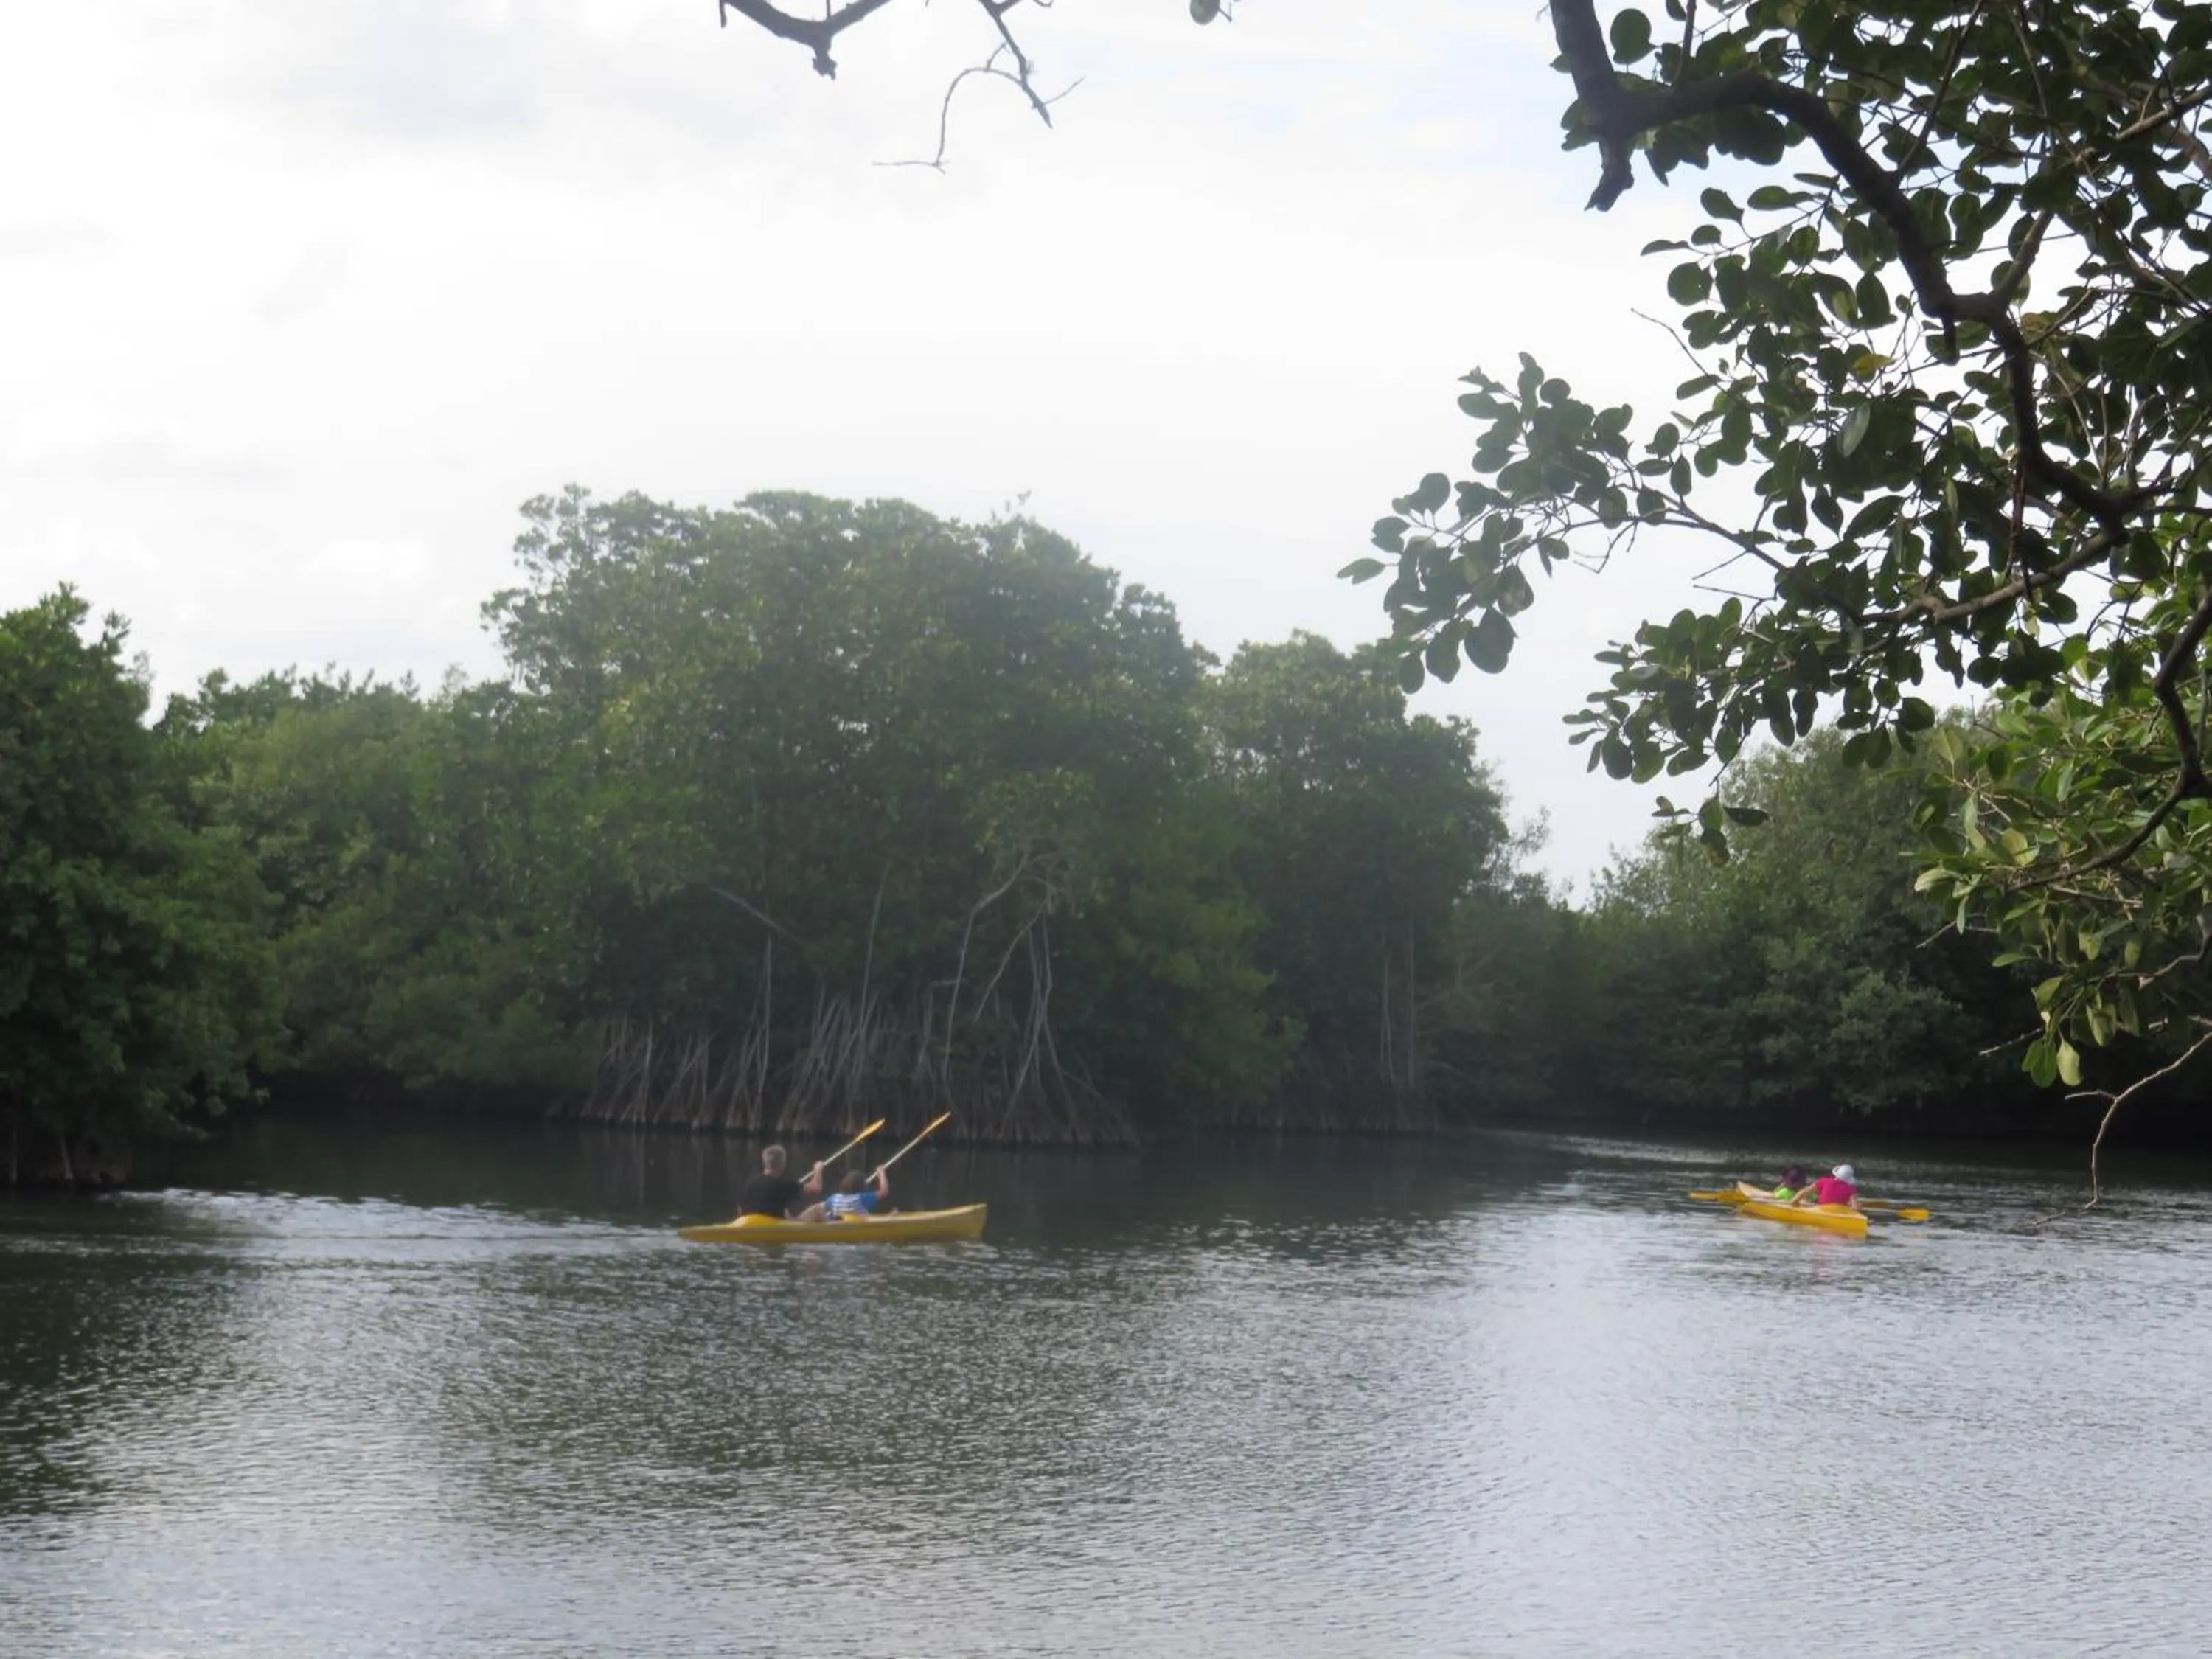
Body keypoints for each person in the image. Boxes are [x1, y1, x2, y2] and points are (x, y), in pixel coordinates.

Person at [735, 1144, 821, 1220]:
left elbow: (740, 1208)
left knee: (785, 1210)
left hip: (753, 1224)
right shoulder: (784, 1184)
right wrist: (818, 1170)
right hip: (775, 1227)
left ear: (765, 1163)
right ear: (782, 1164)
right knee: (817, 1209)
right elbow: (816, 1188)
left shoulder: (751, 1181)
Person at [820, 1166, 892, 1222]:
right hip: (859, 1230)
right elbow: (884, 1191)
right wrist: (882, 1173)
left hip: (840, 1231)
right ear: (862, 1186)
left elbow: (822, 1207)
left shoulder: (834, 1199)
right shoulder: (861, 1198)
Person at [1794, 1164, 1860, 1208]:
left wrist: (1794, 1202)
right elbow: (1855, 1208)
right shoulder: (1850, 1189)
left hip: (1822, 1210)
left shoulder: (1824, 1181)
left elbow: (1804, 1192)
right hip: (1838, 1213)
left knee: (1804, 1200)